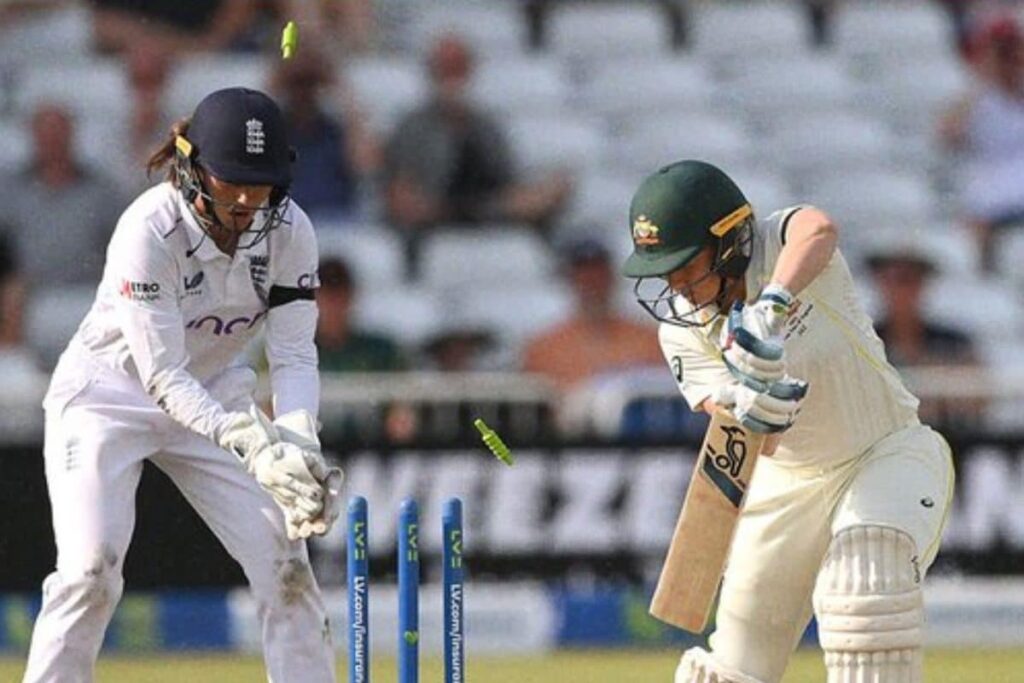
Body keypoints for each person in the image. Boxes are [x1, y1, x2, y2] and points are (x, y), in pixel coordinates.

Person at [21, 88, 342, 683]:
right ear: (192, 167)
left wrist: (298, 443)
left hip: (216, 389)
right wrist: (250, 441)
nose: (247, 200)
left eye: (260, 183)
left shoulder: (291, 231)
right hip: (108, 398)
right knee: (90, 572)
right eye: (231, 182)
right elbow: (162, 374)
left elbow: (294, 351)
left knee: (286, 564)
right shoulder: (148, 229)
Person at [621, 161, 954, 683]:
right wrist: (757, 409)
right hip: (785, 488)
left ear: (729, 243)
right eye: (667, 273)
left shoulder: (781, 244)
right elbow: (741, 428)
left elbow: (818, 227)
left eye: (687, 267)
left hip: (885, 451)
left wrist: (772, 305)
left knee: (865, 583)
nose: (677, 286)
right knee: (730, 671)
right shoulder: (682, 335)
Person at [384, 33, 571, 234]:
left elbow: (509, 187)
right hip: (435, 228)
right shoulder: (411, 128)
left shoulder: (487, 127)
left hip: (491, 218)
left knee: (552, 189)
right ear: (432, 73)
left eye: (458, 68)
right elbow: (401, 200)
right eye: (445, 69)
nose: (452, 79)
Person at [0, 104, 124, 287]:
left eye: (58, 132)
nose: (52, 140)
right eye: (46, 133)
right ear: (33, 136)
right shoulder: (10, 191)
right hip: (23, 299)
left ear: (71, 135)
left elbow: (124, 244)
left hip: (89, 292)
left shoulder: (101, 191)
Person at [939, 12, 1024, 270]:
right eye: (1004, 53)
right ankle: (982, 277)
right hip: (990, 188)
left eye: (1014, 52)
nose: (1011, 61)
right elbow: (947, 134)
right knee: (976, 228)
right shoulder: (977, 98)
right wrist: (983, 78)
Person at [866, 244, 984, 427]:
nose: (900, 290)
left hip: (948, 436)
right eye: (892, 280)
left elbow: (979, 397)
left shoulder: (954, 341)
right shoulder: (862, 339)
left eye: (908, 280)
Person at [523, 238, 663, 389]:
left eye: (599, 275)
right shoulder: (543, 349)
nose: (592, 283)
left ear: (612, 278)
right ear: (570, 280)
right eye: (584, 276)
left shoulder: (649, 340)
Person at [270, 49, 379, 222]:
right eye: (297, 84)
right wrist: (276, 82)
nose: (303, 93)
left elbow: (365, 165)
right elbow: (245, 157)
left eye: (310, 84)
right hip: (282, 221)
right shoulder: (272, 130)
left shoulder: (337, 130)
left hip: (334, 222)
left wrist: (339, 88)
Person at [316, 256, 406, 372]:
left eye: (339, 295)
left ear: (351, 296)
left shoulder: (380, 352)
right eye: (327, 296)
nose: (333, 304)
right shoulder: (295, 352)